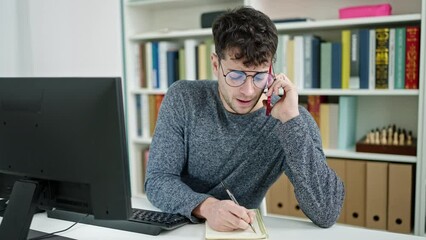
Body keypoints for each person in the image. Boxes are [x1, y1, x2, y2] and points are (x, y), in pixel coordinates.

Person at [145, 6, 344, 232]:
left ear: (271, 71)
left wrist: (290, 122)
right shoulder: (184, 98)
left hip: (239, 233)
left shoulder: (291, 120)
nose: (248, 91)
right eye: (236, 75)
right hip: (179, 227)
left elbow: (327, 212)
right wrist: (209, 208)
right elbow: (158, 180)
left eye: (259, 76)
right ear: (215, 65)